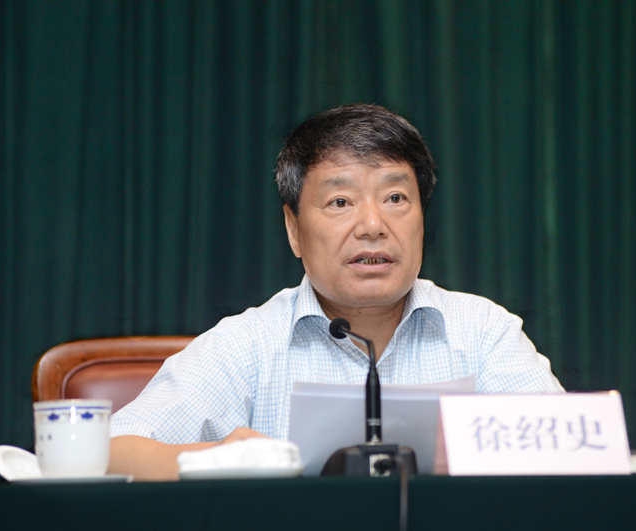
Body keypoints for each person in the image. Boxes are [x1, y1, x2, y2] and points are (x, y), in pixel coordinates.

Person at [109, 104, 564, 480]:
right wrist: (214, 460)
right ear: (293, 229)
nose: (373, 226)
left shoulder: (483, 332)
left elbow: (569, 455)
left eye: (395, 198)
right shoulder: (245, 346)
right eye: (340, 202)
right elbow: (111, 452)